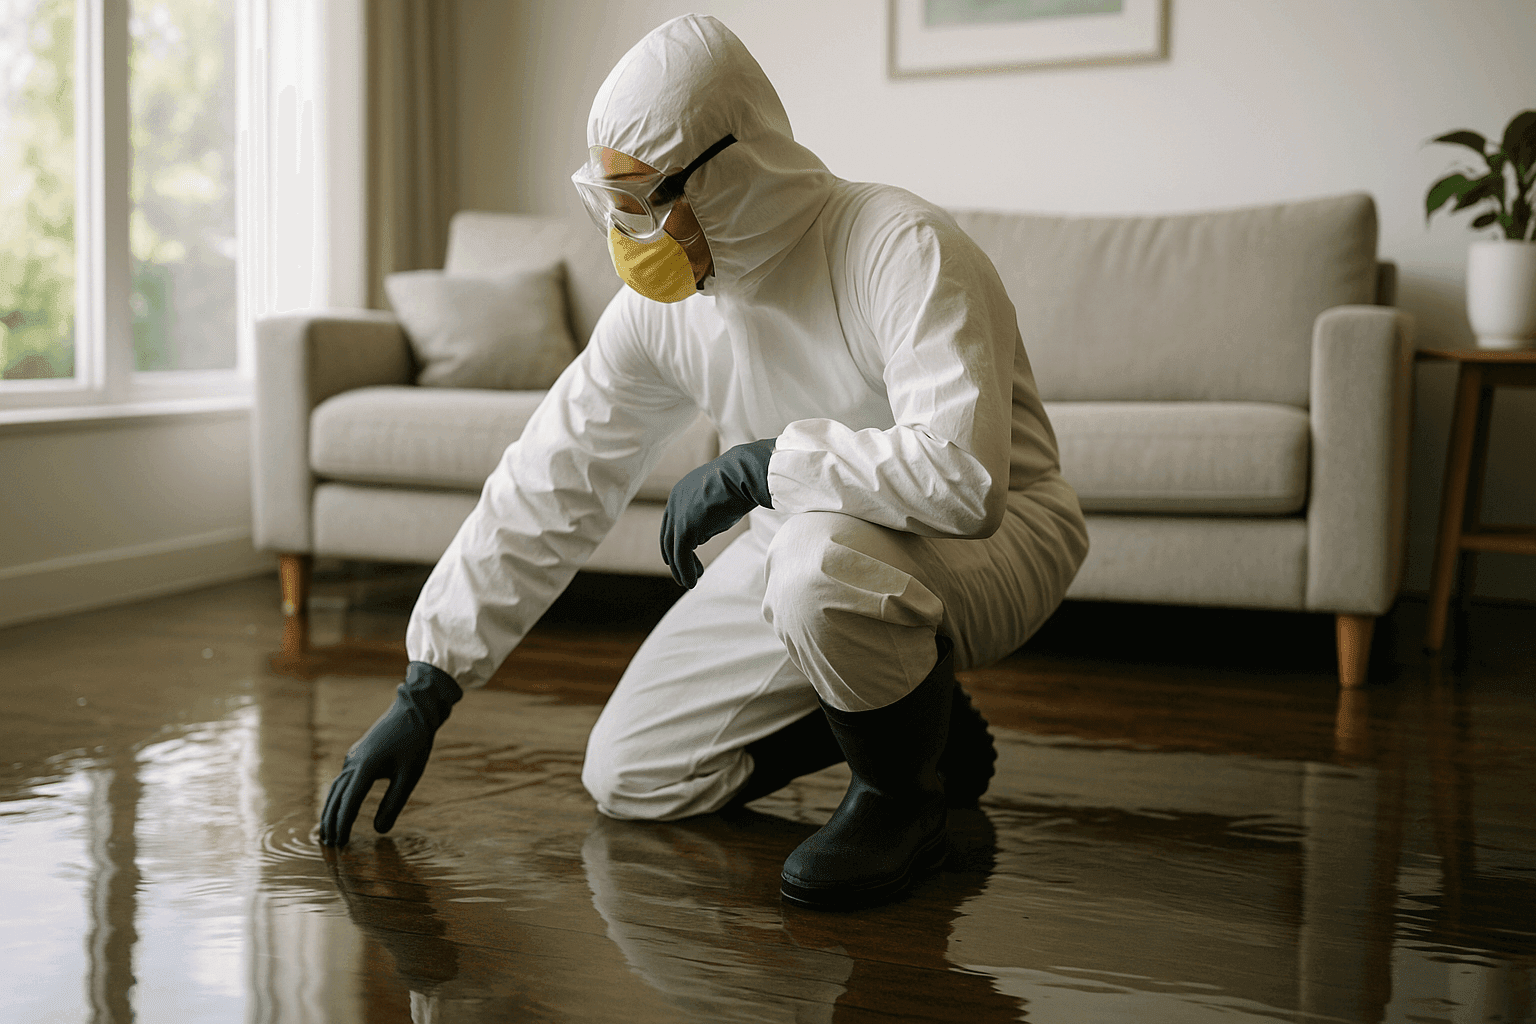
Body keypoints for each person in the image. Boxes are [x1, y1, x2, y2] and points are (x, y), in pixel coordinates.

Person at [318, 13, 1087, 910]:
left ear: (730, 169)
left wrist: (763, 466)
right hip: (813, 540)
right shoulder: (669, 309)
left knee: (816, 561)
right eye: (612, 203)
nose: (628, 232)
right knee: (632, 775)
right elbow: (555, 471)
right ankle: (918, 725)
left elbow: (965, 479)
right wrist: (429, 681)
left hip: (993, 537)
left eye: (644, 200)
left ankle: (900, 798)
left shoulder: (899, 245)